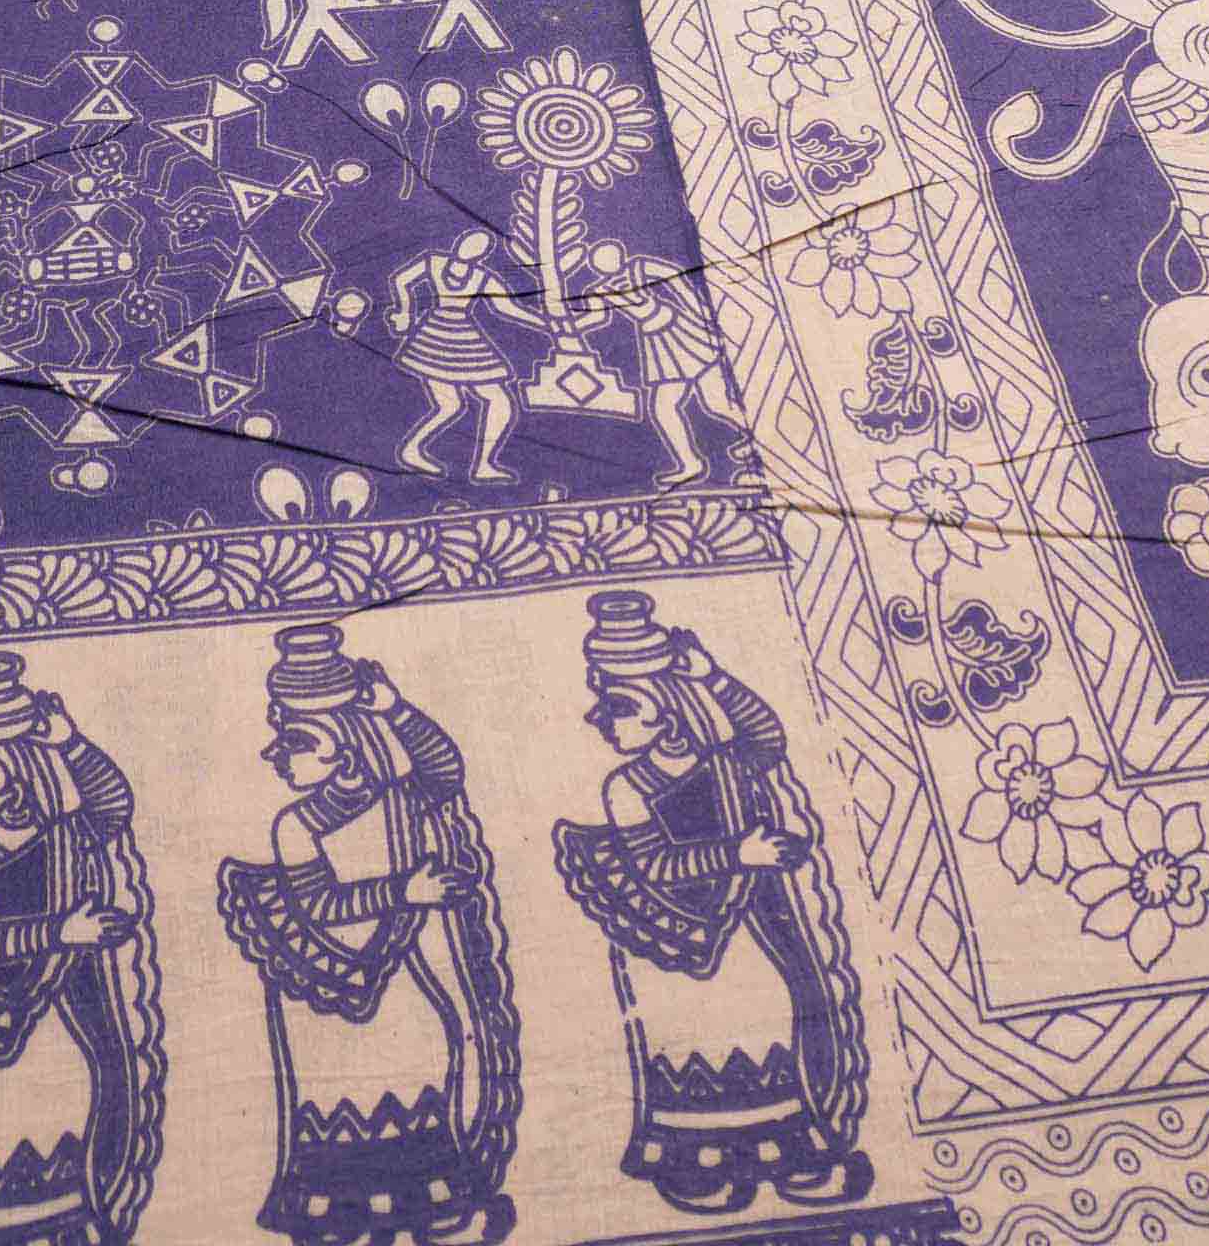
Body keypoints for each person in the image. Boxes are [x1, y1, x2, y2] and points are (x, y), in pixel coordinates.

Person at [554, 592, 871, 1216]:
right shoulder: (628, 786)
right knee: (694, 1035)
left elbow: (768, 738)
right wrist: (737, 855)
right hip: (676, 930)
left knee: (774, 1013)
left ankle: (791, 1149)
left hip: (744, 922)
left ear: (667, 710)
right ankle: (697, 1165)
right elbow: (653, 865)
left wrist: (714, 677)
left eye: (619, 706)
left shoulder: (727, 759)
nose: (599, 719)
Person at [218, 624, 521, 1246]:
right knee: (347, 1090)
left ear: (348, 747)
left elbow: (445, 771)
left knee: (430, 1056)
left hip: (393, 966)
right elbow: (319, 905)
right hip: (326, 978)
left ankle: (429, 1199)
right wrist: (404, 891)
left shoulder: (399, 796)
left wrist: (396, 709)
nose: (276, 754)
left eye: (297, 741)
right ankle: (340, 1215)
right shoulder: (298, 824)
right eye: (281, 736)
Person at [0, 652, 165, 1246]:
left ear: (15, 779)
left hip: (51, 1044)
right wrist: (59, 933)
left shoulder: (63, 839)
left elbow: (112, 808)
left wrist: (71, 743)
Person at [583, 238, 747, 487]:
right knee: (667, 406)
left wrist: (699, 311)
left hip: (681, 331)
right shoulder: (601, 288)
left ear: (619, 255)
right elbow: (595, 319)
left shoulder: (640, 266)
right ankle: (691, 463)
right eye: (599, 262)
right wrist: (565, 325)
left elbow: (678, 279)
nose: (604, 264)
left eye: (607, 257)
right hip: (656, 342)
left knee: (711, 403)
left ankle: (750, 441)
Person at [386, 223, 544, 479]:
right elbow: (400, 280)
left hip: (463, 338)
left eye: (479, 246)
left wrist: (545, 323)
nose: (471, 247)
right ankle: (414, 451)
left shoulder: (482, 277)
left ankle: (482, 464)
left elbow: (508, 309)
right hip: (435, 338)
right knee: (452, 405)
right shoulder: (434, 261)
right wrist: (405, 311)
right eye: (470, 241)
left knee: (494, 401)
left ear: (481, 254)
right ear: (459, 242)